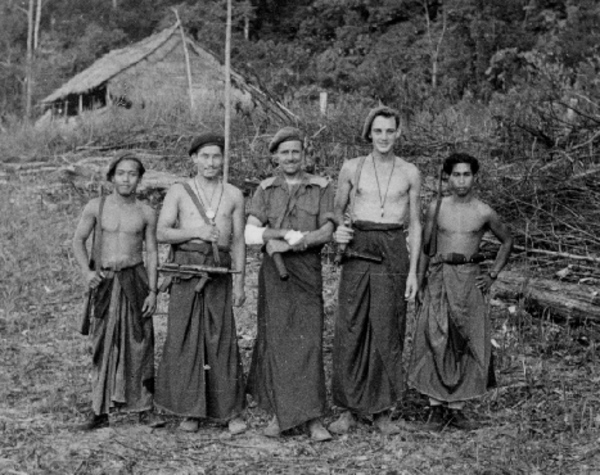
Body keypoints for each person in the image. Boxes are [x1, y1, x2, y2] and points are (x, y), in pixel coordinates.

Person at [330, 106, 422, 435]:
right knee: (352, 325)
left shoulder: (409, 172)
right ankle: (349, 409)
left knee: (388, 326)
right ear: (369, 133)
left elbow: (415, 225)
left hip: (394, 248)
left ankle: (383, 409)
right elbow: (337, 212)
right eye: (378, 131)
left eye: (390, 131)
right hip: (360, 247)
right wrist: (339, 232)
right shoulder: (352, 168)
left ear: (399, 133)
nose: (383, 137)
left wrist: (413, 272)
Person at [408, 153, 513, 431]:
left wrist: (492, 274)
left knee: (463, 338)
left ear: (474, 177)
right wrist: (419, 281)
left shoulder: (484, 211)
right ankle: (435, 408)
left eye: (467, 174)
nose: (461, 180)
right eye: (456, 174)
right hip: (440, 277)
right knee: (434, 335)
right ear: (447, 176)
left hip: (468, 280)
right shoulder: (436, 207)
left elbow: (507, 240)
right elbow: (428, 250)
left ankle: (457, 408)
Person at [245, 127, 334, 441]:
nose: (291, 157)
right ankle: (282, 416)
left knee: (308, 339)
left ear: (304, 153)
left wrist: (296, 242)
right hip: (275, 272)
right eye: (284, 152)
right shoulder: (266, 189)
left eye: (296, 151)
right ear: (275, 157)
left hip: (306, 269)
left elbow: (326, 231)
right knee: (280, 340)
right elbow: (251, 232)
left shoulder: (322, 187)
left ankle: (312, 418)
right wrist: (277, 236)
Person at [154, 133, 247, 435]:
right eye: (204, 156)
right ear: (194, 158)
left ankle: (229, 411)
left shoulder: (233, 194)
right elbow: (163, 232)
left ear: (223, 159)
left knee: (220, 335)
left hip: (218, 270)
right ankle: (189, 410)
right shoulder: (179, 192)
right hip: (186, 270)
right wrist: (195, 230)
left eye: (216, 156)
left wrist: (242, 282)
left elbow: (239, 242)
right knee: (186, 336)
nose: (210, 162)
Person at [73, 153, 158, 430]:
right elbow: (78, 240)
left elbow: (153, 252)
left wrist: (153, 291)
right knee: (102, 343)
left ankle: (143, 406)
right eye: (121, 173)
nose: (126, 178)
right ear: (112, 177)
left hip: (135, 279)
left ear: (139, 179)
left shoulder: (146, 212)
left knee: (140, 342)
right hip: (105, 280)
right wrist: (87, 272)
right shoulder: (96, 207)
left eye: (132, 173)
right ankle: (99, 409)